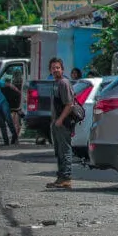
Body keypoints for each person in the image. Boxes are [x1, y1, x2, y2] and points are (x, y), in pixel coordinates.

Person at [47, 57, 76, 190]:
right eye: (53, 68)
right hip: (56, 123)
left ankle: (66, 178)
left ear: (62, 69)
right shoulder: (55, 83)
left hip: (63, 123)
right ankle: (60, 178)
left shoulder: (64, 83)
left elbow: (69, 104)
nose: (55, 70)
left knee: (64, 150)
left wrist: (60, 120)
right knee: (58, 151)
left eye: (57, 67)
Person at [1, 76, 22, 146]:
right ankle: (15, 138)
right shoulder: (14, 90)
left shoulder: (3, 89)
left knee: (7, 123)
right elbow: (19, 95)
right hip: (15, 108)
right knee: (15, 123)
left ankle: (10, 139)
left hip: (10, 108)